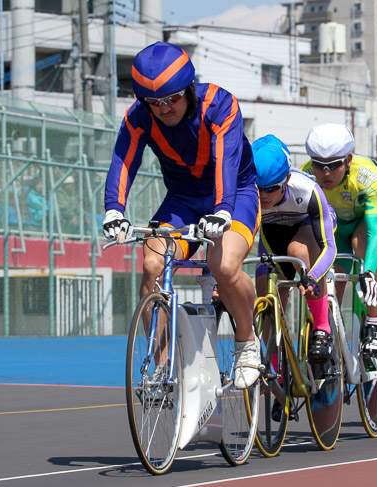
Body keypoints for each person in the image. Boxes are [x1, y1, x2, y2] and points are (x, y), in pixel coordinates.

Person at [102, 41, 260, 389]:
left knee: (224, 266)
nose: (164, 108)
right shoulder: (138, 117)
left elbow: (226, 162)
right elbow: (124, 160)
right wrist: (114, 209)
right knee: (152, 263)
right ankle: (159, 366)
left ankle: (247, 343)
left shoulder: (220, 104)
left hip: (236, 193)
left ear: (189, 88)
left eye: (172, 98)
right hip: (183, 199)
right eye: (154, 102)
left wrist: (222, 210)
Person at [301, 122, 377, 356]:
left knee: (360, 245)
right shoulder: (306, 175)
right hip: (334, 231)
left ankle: (374, 322)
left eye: (333, 165)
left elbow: (374, 233)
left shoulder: (368, 175)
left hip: (366, 224)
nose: (326, 173)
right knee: (331, 282)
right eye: (319, 166)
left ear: (349, 160)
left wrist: (368, 271)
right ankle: (329, 332)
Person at [252, 134, 337, 359]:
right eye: (258, 188)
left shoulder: (307, 190)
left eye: (271, 188)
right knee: (264, 287)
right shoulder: (247, 194)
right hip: (272, 233)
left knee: (298, 253)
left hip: (307, 226)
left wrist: (313, 276)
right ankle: (277, 360)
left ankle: (321, 328)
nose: (263, 195)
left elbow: (329, 247)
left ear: (287, 179)